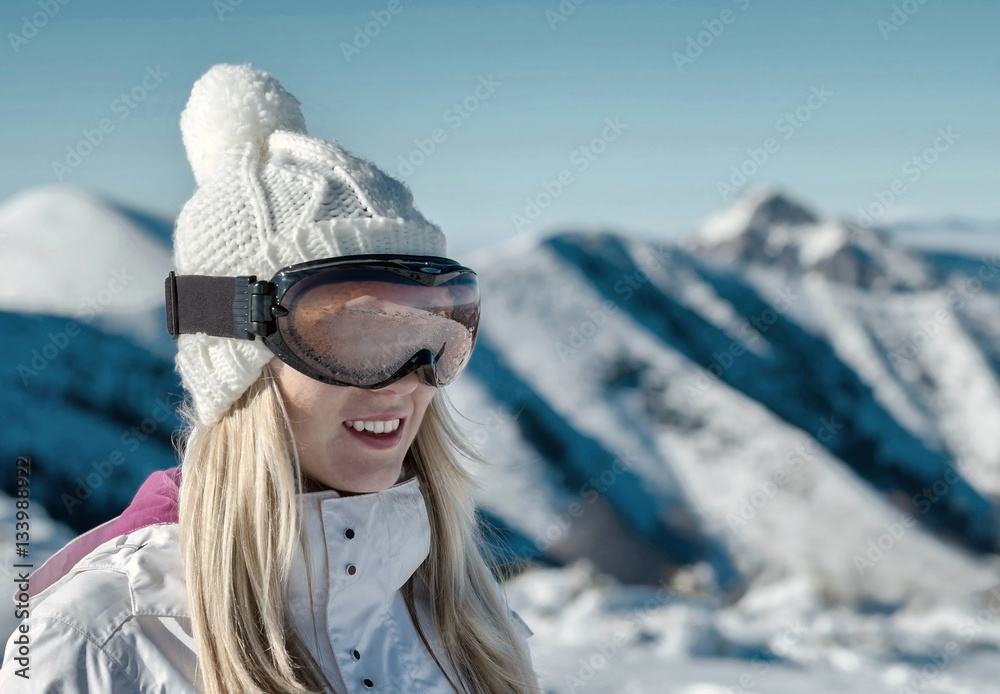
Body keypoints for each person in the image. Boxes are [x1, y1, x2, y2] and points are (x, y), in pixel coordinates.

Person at [0, 63, 539, 693]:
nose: (401, 382)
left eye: (427, 331)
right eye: (352, 335)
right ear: (239, 352)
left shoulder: (470, 628)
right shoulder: (100, 645)